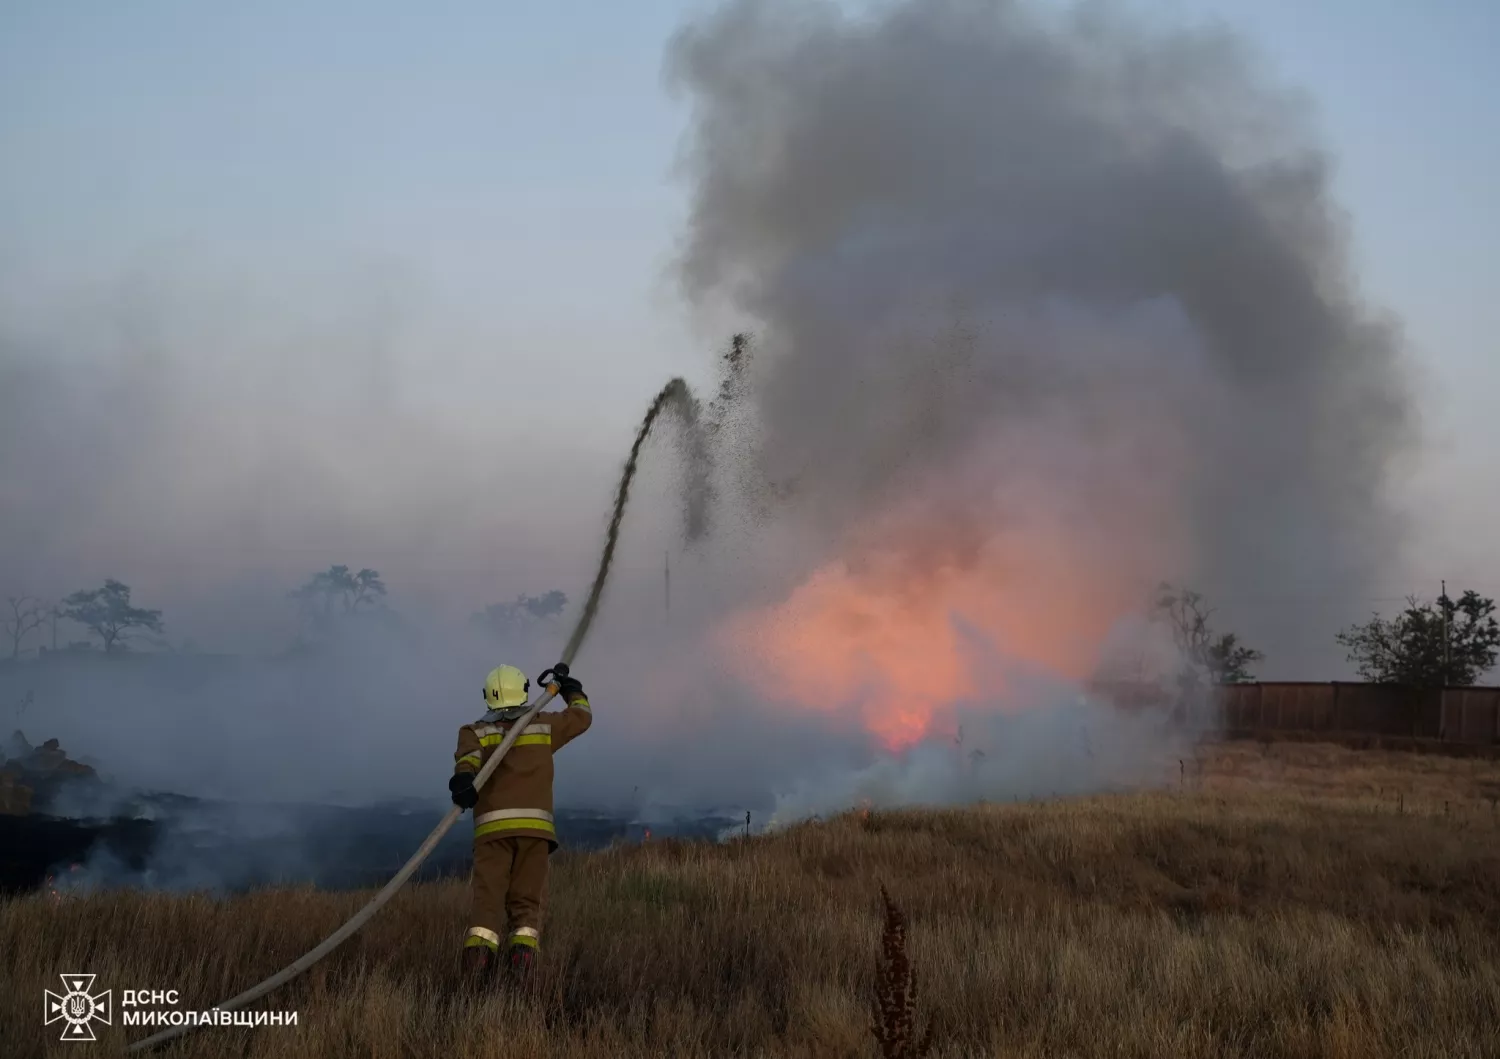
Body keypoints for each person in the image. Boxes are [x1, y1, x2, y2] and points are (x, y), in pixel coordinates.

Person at [448, 661, 591, 981]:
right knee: (527, 905)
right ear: (524, 691)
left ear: (488, 696)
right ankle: (523, 972)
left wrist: (463, 779)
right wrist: (572, 690)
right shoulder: (543, 725)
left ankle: (474, 977)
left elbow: (467, 761)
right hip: (535, 832)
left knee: (487, 905)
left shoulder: (474, 732)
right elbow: (582, 717)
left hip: (493, 833)